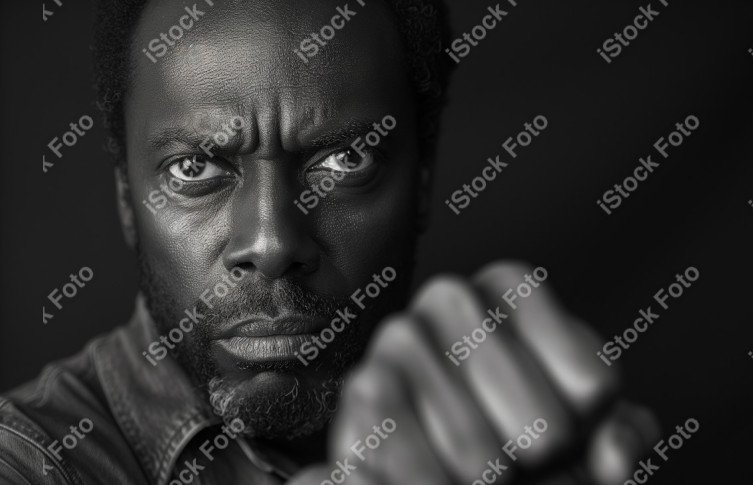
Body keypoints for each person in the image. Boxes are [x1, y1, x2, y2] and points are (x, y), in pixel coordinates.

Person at [0, 0, 657, 483]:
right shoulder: (30, 458)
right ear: (125, 200)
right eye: (194, 169)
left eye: (345, 161)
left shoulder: (529, 433)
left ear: (422, 183)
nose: (272, 240)